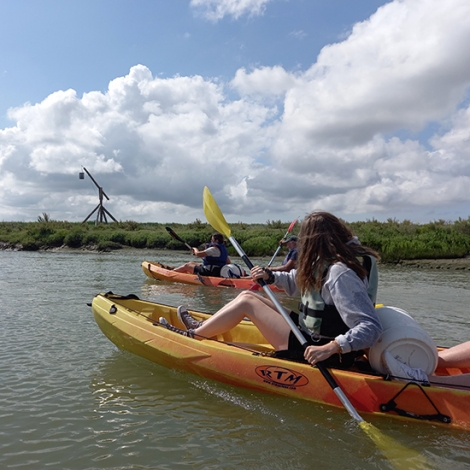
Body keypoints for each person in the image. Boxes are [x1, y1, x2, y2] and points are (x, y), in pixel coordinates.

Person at [160, 211, 382, 370]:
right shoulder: (333, 261)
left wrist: (332, 347)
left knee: (247, 302)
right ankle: (202, 329)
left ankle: (192, 336)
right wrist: (271, 276)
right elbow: (297, 284)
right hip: (310, 336)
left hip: (317, 351)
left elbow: (371, 327)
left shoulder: (340, 273)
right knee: (249, 295)